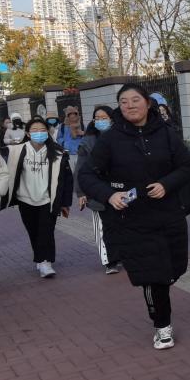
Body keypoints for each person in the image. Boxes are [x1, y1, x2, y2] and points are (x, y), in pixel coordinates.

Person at [79, 84, 190, 350]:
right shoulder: (111, 138)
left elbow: (188, 166)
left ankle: (161, 308)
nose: (130, 105)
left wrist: (166, 184)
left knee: (173, 270)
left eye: (135, 100)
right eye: (124, 101)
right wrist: (109, 195)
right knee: (154, 275)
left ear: (147, 103)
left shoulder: (166, 133)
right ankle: (162, 326)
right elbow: (87, 175)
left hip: (169, 215)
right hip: (134, 219)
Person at [2, 117, 74, 278]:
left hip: (48, 200)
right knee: (33, 231)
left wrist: (65, 203)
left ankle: (46, 262)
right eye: (34, 130)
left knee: (46, 231)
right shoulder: (16, 151)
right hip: (25, 199)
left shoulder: (58, 153)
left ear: (48, 132)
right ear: (28, 133)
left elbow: (67, 179)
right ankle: (40, 259)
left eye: (42, 130)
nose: (39, 133)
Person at [74, 105, 121, 274]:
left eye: (104, 118)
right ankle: (109, 261)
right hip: (96, 191)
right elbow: (80, 169)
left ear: (112, 119)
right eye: (97, 118)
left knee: (121, 225)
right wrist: (81, 192)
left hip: (120, 189)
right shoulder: (88, 142)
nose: (100, 121)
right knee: (102, 227)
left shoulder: (122, 137)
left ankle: (123, 255)